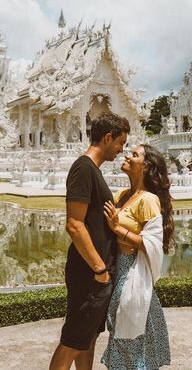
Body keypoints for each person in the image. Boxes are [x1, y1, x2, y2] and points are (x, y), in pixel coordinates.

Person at [49, 112, 130, 370]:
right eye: (120, 143)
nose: (121, 150)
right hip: (90, 272)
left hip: (97, 273)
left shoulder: (93, 170)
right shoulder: (83, 168)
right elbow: (74, 225)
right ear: (108, 138)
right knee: (73, 340)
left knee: (89, 338)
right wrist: (100, 270)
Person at [101, 144, 174, 370]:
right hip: (118, 271)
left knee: (129, 333)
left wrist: (118, 230)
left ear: (146, 166)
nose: (127, 156)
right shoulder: (123, 195)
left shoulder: (148, 199)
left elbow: (151, 243)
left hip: (133, 272)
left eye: (134, 155)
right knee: (123, 332)